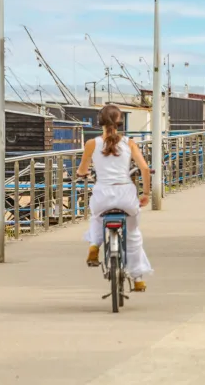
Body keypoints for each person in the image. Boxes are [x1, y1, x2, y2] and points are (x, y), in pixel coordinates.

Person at [77, 105, 152, 292]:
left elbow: (82, 170)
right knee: (133, 235)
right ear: (120, 122)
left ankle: (95, 245)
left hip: (103, 195)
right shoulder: (129, 143)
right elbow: (144, 169)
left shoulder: (91, 144)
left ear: (99, 122)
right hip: (125, 195)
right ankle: (137, 278)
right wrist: (146, 194)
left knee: (96, 217)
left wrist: (82, 173)